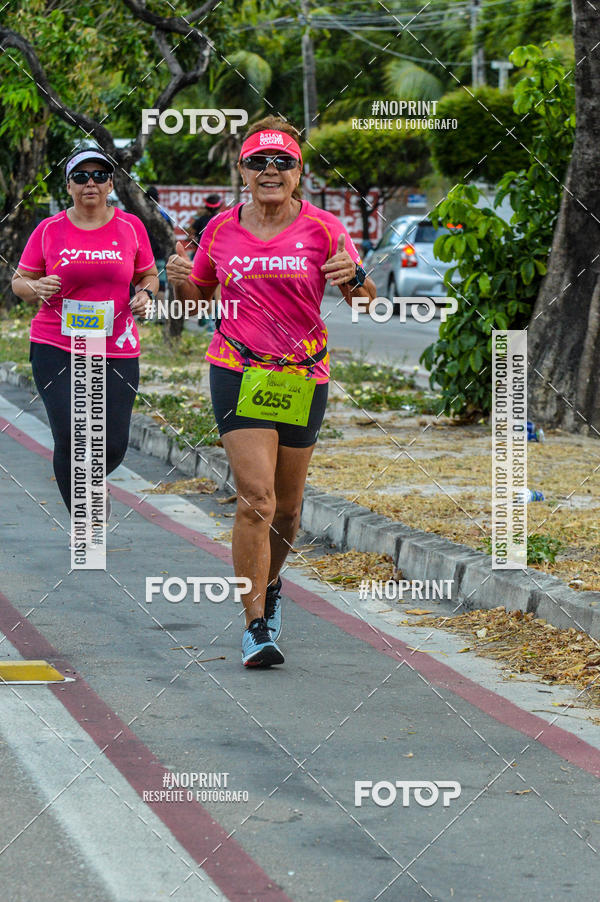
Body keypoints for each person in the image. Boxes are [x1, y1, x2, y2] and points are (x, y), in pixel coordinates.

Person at [167, 116, 376, 668]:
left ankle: (272, 581)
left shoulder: (325, 229)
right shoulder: (220, 230)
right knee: (256, 500)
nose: (270, 171)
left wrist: (353, 277)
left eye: (282, 162)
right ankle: (255, 625)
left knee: (287, 511)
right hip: (237, 367)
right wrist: (178, 278)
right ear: (242, 170)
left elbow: (366, 301)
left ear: (298, 172)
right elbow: (194, 300)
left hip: (301, 374)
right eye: (258, 161)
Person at [12, 147, 158, 529]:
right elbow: (19, 283)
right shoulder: (48, 229)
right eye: (81, 177)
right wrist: (37, 286)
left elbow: (148, 275)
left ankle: (96, 484)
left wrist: (146, 294)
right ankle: (87, 522)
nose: (90, 183)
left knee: (112, 444)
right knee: (72, 434)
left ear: (111, 183)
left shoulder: (130, 227)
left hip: (116, 345)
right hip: (55, 343)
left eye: (99, 176)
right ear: (69, 186)